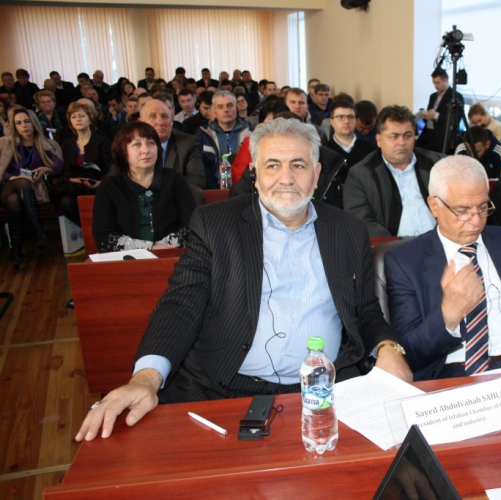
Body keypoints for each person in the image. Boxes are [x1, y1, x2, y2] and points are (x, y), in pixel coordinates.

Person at [75, 118, 411, 441]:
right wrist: (146, 379)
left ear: (317, 172)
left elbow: (366, 310)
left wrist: (388, 348)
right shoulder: (214, 224)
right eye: (272, 165)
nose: (286, 178)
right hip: (222, 387)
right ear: (254, 173)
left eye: (298, 165)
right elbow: (180, 306)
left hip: (326, 390)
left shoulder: (348, 230)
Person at [385, 155, 501, 380]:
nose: (477, 221)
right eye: (463, 210)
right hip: (452, 377)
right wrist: (448, 315)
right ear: (434, 205)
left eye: (483, 207)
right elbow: (408, 351)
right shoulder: (406, 261)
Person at [91, 121, 196, 253]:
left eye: (151, 143)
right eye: (137, 144)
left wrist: (162, 248)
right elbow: (104, 237)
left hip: (171, 253)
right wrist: (148, 248)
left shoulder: (174, 179)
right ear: (122, 151)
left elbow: (192, 226)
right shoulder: (109, 187)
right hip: (126, 259)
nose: (146, 150)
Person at [344, 105, 443, 237]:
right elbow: (361, 221)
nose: (402, 142)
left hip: (441, 241)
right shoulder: (361, 174)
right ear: (379, 140)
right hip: (393, 246)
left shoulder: (438, 164)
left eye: (407, 136)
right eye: (394, 136)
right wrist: (392, 245)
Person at [0, 107, 63, 267]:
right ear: (14, 126)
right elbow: (2, 169)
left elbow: (59, 166)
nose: (24, 126)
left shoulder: (46, 144)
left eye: (27, 121)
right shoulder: (6, 143)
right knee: (22, 183)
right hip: (7, 186)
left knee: (15, 200)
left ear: (34, 122)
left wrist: (46, 169)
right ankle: (38, 230)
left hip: (32, 191)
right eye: (19, 123)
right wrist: (12, 177)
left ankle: (16, 251)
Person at [56, 102, 112, 225]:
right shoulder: (68, 143)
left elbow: (109, 167)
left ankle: (99, 229)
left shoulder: (101, 140)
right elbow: (66, 170)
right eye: (74, 117)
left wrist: (100, 182)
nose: (78, 119)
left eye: (82, 116)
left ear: (90, 119)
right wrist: (73, 179)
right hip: (76, 186)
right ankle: (88, 228)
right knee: (66, 202)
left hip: (99, 184)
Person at [139, 99, 206, 192]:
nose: (160, 122)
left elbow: (197, 179)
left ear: (171, 120)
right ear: (141, 122)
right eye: (153, 116)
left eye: (165, 116)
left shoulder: (188, 143)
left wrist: (164, 189)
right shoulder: (130, 146)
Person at [196, 90, 252, 188]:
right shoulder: (203, 134)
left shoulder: (250, 132)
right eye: (220, 107)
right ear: (214, 111)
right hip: (213, 190)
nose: (226, 110)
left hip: (244, 189)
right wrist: (215, 191)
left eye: (230, 105)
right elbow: (202, 168)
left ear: (236, 107)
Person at [415, 68, 464, 153]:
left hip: (442, 135)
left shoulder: (455, 97)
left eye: (438, 83)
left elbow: (454, 120)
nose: (435, 86)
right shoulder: (433, 96)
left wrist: (436, 115)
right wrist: (427, 116)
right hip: (428, 132)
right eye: (434, 83)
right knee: (417, 149)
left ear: (445, 80)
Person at [325, 100, 376, 168]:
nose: (346, 121)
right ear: (332, 121)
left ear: (355, 120)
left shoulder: (371, 150)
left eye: (351, 117)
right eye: (340, 117)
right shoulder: (323, 151)